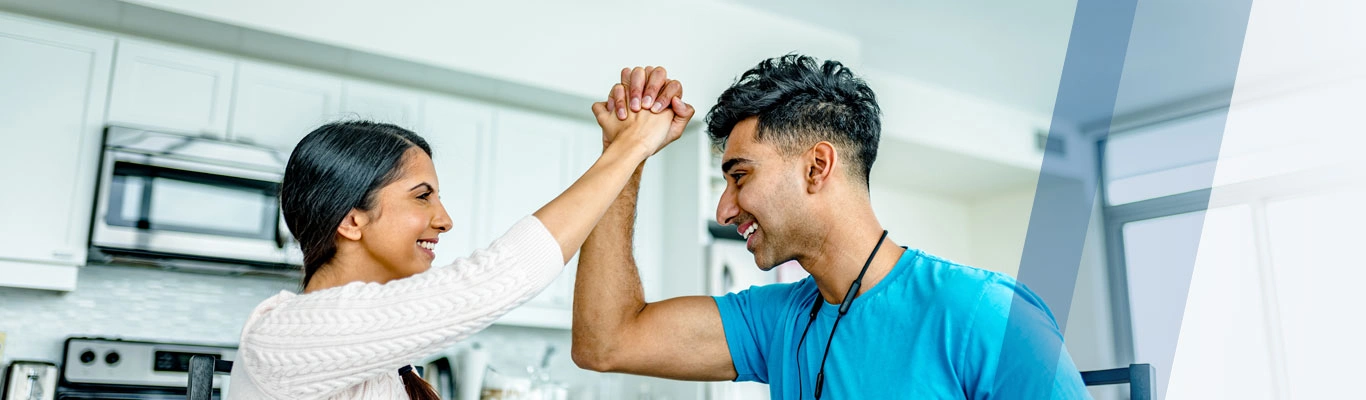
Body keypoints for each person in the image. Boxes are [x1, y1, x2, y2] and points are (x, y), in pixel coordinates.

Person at [572, 55, 1091, 399]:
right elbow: (606, 340)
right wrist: (625, 156)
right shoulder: (778, 322)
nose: (724, 211)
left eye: (739, 176)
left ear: (817, 167)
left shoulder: (985, 314)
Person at [226, 87, 695, 399]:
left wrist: (623, 152)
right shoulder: (284, 336)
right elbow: (500, 276)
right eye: (422, 196)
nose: (445, 219)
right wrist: (629, 148)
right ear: (351, 220)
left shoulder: (376, 358)